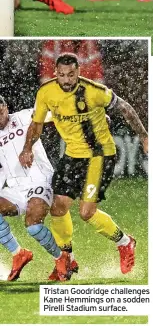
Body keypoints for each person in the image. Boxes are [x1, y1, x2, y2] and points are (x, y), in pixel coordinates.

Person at [19, 53, 148, 278]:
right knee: (58, 207)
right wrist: (27, 148)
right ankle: (67, 260)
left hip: (100, 155)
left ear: (78, 72)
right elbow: (37, 124)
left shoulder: (94, 91)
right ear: (55, 73)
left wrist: (145, 137)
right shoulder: (46, 92)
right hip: (72, 155)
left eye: (71, 75)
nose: (66, 80)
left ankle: (126, 242)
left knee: (87, 213)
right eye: (61, 75)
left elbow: (125, 108)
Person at [0, 96, 72, 282]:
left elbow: (55, 113)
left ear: (6, 108)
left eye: (0, 112)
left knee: (33, 225)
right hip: (16, 189)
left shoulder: (24, 116)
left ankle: (61, 258)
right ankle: (19, 253)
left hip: (40, 181)